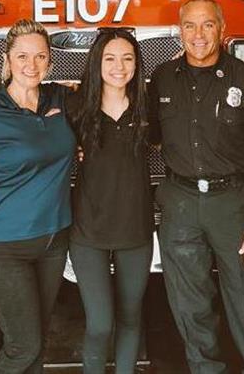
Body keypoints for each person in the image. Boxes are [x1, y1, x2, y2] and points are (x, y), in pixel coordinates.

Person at [149, 0, 244, 374]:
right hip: (179, 202)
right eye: (190, 26)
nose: (199, 34)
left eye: (208, 25)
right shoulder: (162, 77)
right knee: (189, 301)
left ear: (223, 30)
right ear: (179, 32)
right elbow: (150, 137)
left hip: (234, 203)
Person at [0, 19, 76, 374]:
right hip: (3, 247)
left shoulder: (61, 100)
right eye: (22, 56)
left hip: (53, 241)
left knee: (36, 342)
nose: (31, 65)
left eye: (40, 56)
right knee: (24, 346)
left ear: (50, 61)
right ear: (6, 61)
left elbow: (111, 89)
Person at [67, 28, 153, 374]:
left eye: (128, 58)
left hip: (136, 231)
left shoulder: (149, 109)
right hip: (88, 233)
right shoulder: (74, 107)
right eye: (110, 58)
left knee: (131, 318)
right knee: (100, 323)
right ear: (97, 62)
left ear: (137, 64)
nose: (119, 67)